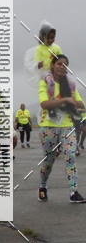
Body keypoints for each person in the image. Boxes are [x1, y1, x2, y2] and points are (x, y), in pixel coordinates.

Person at [37, 54, 85, 203]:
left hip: (67, 126)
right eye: (59, 64)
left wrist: (72, 101)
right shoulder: (45, 83)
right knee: (49, 160)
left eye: (65, 64)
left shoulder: (70, 85)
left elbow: (81, 105)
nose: (62, 67)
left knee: (70, 157)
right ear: (53, 66)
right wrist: (65, 100)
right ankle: (42, 186)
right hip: (48, 127)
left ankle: (73, 192)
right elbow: (44, 104)